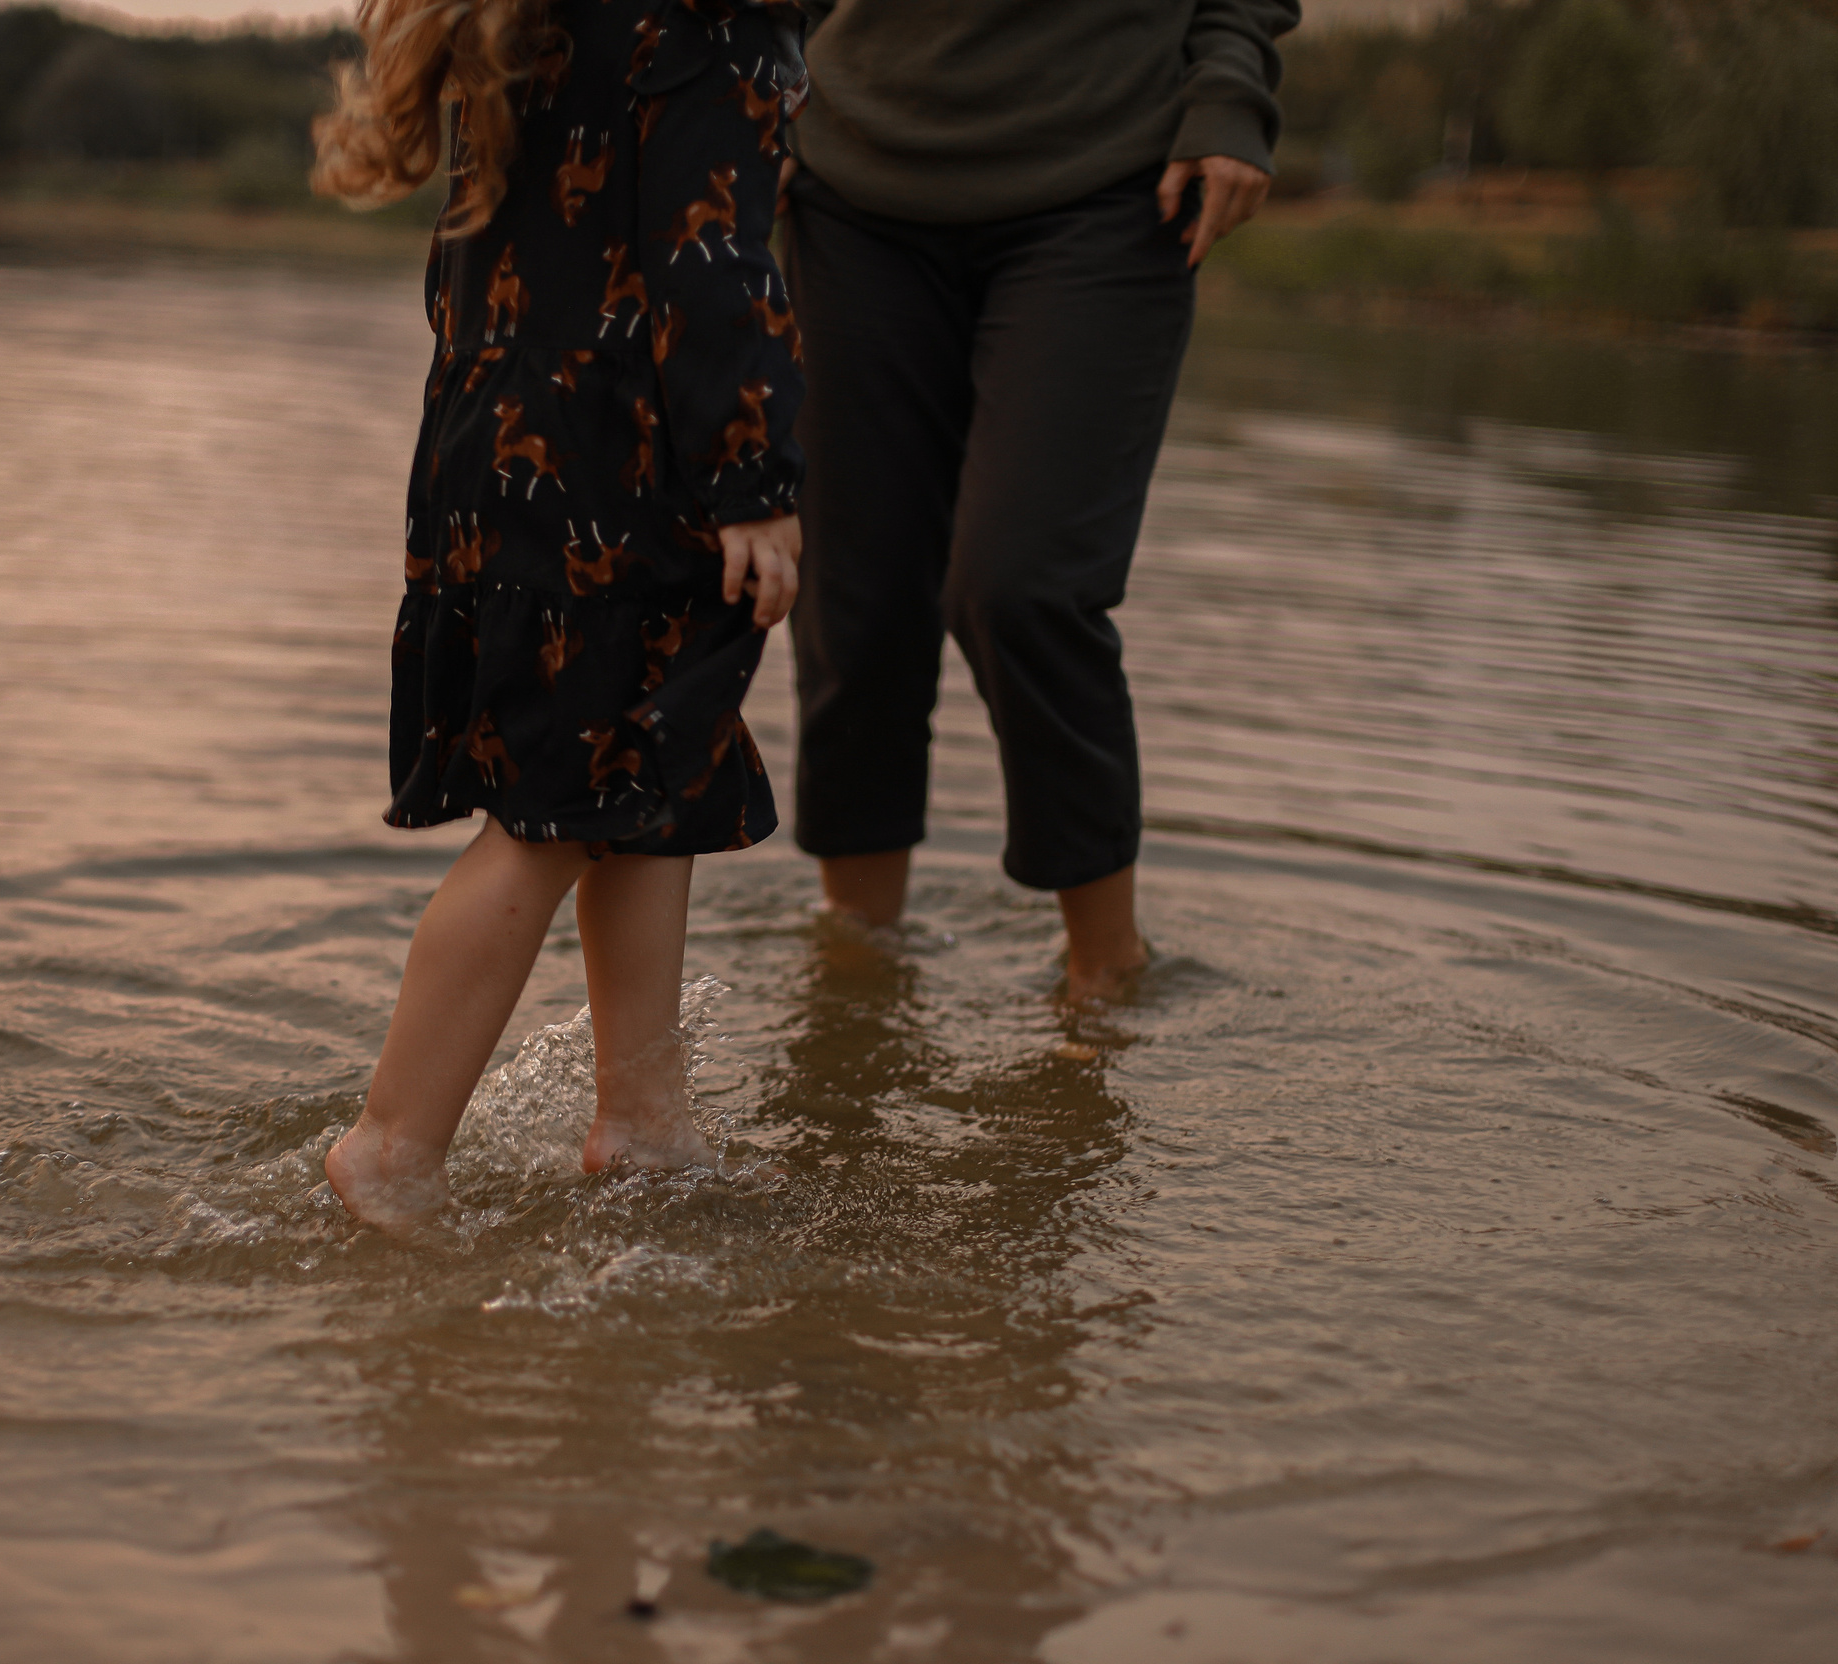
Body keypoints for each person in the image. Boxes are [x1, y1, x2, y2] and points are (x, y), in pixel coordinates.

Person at [310, 0, 807, 1232]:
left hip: (500, 449)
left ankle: (645, 1123)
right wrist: (754, 480)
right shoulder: (715, 18)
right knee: (552, 811)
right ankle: (392, 1148)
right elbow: (712, 258)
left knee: (644, 772)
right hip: (619, 467)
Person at [784, 0, 1298, 1003]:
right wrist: (750, 92)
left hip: (1111, 183)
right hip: (849, 184)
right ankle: (855, 972)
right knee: (858, 602)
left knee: (1021, 588)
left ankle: (1105, 977)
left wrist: (1230, 90)